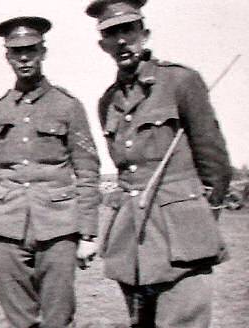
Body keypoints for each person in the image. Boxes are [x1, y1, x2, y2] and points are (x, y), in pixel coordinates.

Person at [86, 1, 232, 327]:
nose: (121, 40)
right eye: (112, 33)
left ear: (144, 33)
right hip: (132, 242)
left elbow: (215, 162)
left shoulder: (180, 81)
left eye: (129, 30)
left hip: (183, 238)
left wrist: (198, 218)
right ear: (103, 44)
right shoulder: (108, 102)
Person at [0, 16, 101, 328]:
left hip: (58, 226)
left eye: (30, 50)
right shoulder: (0, 109)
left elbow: (87, 170)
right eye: (16, 52)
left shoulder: (67, 105)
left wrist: (87, 233)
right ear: (7, 57)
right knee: (18, 318)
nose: (24, 58)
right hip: (7, 227)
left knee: (58, 317)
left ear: (43, 52)